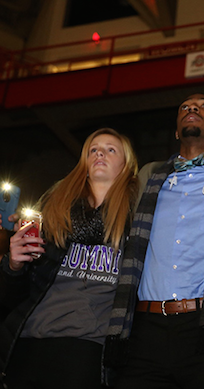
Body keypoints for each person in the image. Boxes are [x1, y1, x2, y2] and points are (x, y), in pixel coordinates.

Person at [105, 93, 204, 389]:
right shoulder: (149, 175)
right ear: (176, 131)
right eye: (185, 107)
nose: (192, 108)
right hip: (145, 329)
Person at [0, 128, 138, 389]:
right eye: (93, 150)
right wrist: (13, 265)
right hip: (29, 341)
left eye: (111, 150)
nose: (100, 153)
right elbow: (12, 296)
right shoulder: (53, 211)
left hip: (87, 346)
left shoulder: (139, 219)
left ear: (126, 166)